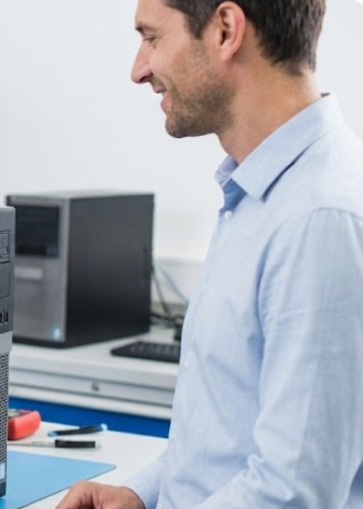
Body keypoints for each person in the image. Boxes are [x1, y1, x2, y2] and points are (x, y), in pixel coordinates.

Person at [58, 0, 363, 508]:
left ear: (225, 29)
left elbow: (292, 494)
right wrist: (143, 493)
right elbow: (226, 435)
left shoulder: (319, 219)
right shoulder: (257, 195)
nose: (139, 70)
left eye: (152, 38)